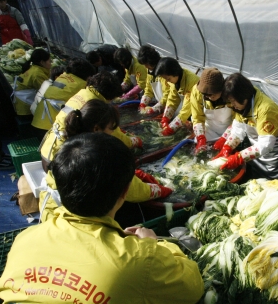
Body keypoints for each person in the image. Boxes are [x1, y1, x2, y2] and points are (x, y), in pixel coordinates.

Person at [0, 132, 204, 304]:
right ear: (125, 192)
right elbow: (191, 289)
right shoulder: (140, 259)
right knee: (162, 293)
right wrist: (157, 247)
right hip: (148, 262)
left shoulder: (25, 239)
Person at [38, 99, 172, 223]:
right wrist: (158, 190)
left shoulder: (73, 143)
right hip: (70, 218)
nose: (114, 133)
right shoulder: (101, 154)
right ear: (96, 129)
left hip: (51, 209)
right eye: (111, 129)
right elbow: (131, 190)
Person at [40, 71, 142, 159]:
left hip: (49, 147)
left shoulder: (83, 92)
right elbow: (115, 135)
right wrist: (133, 141)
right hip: (65, 156)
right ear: (109, 96)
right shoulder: (96, 105)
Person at [213, 73, 278, 180]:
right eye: (230, 101)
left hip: (274, 152)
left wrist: (239, 158)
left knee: (274, 185)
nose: (232, 105)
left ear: (243, 96)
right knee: (258, 181)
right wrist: (227, 147)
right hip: (257, 151)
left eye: (233, 101)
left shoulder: (266, 109)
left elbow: (266, 145)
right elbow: (238, 130)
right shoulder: (242, 105)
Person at [31, 58, 96, 139]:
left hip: (38, 122)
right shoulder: (81, 85)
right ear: (87, 75)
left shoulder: (62, 76)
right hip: (50, 128)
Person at [191, 67, 234, 153]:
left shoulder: (231, 95)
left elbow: (238, 120)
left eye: (212, 94)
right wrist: (201, 138)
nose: (208, 97)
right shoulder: (197, 92)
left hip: (228, 131)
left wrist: (224, 138)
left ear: (221, 90)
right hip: (208, 129)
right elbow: (197, 117)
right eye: (205, 94)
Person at [154, 57, 199, 136]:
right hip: (189, 112)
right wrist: (165, 118)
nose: (167, 81)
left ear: (175, 72)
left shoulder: (192, 82)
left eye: (168, 79)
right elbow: (173, 99)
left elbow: (187, 108)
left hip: (200, 112)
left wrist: (171, 128)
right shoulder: (174, 80)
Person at [12, 48, 51, 117]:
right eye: (49, 61)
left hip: (21, 105)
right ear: (42, 62)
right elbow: (48, 92)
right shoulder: (37, 74)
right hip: (26, 108)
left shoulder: (34, 68)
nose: (51, 62)